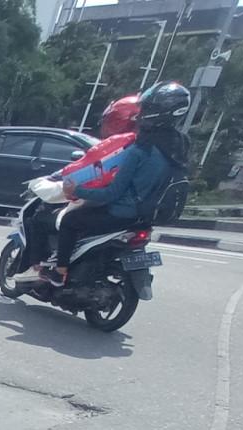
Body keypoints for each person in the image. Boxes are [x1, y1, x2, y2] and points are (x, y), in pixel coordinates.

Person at [41, 81, 189, 286]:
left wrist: (77, 189)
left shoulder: (140, 150)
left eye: (146, 108)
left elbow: (112, 193)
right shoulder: (179, 145)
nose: (141, 113)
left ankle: (59, 272)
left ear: (156, 112)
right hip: (147, 216)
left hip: (122, 214)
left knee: (69, 221)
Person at [13, 93, 140, 279]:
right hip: (129, 210)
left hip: (104, 203)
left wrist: (67, 185)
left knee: (47, 218)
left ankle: (53, 268)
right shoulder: (143, 147)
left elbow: (83, 169)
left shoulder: (119, 146)